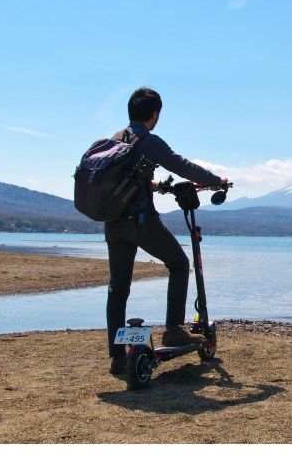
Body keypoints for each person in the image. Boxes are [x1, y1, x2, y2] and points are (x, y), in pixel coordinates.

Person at [105, 87, 228, 375]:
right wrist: (215, 180)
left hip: (113, 222)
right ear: (155, 114)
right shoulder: (148, 140)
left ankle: (117, 357)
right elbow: (180, 164)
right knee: (179, 263)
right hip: (140, 221)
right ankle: (173, 330)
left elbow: (127, 181)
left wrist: (158, 186)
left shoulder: (115, 140)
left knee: (118, 288)